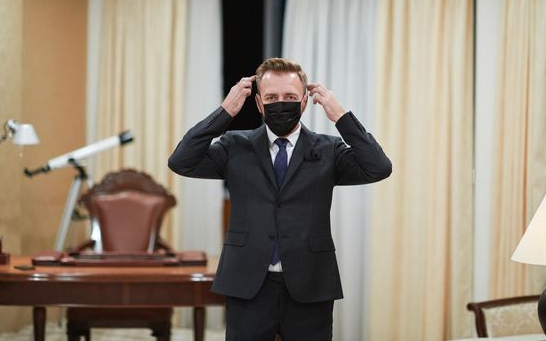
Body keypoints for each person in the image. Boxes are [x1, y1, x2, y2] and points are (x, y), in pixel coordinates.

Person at [168, 58, 392, 341]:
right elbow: (181, 161)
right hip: (247, 284)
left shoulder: (328, 150)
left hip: (310, 285)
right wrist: (225, 112)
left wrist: (341, 117)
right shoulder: (235, 146)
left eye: (289, 97)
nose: (281, 103)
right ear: (259, 104)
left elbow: (379, 167)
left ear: (304, 101)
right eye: (272, 97)